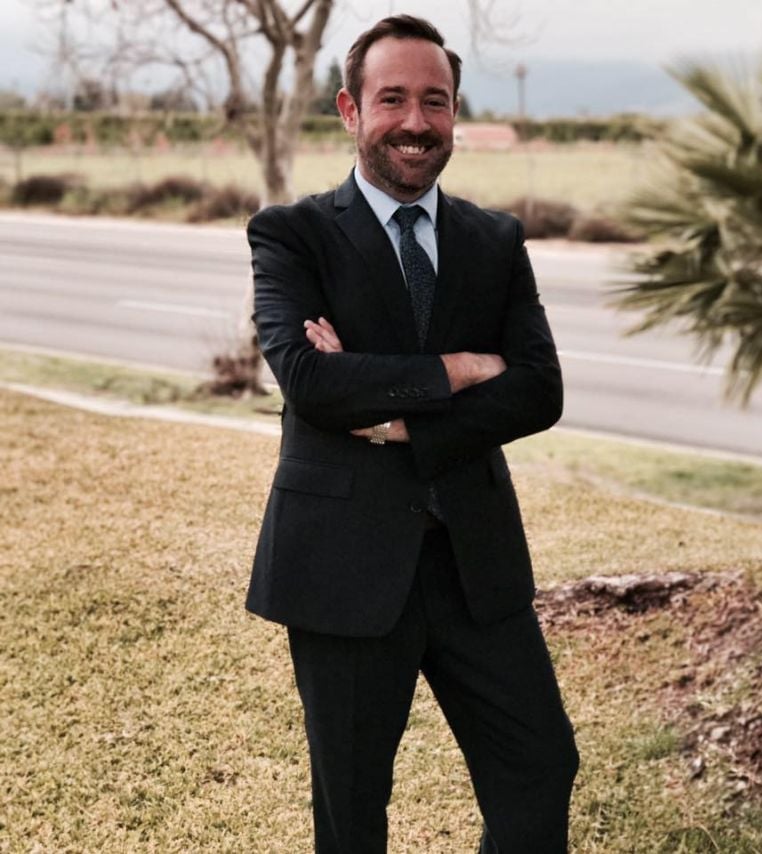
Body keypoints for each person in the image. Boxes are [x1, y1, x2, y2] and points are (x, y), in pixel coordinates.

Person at [246, 14, 579, 853]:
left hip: (477, 561)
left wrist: (402, 422)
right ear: (350, 110)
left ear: (456, 113)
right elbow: (313, 382)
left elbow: (540, 389)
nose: (417, 122)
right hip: (343, 566)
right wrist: (461, 369)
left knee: (541, 765)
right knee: (353, 813)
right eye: (392, 98)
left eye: (436, 101)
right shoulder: (292, 234)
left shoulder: (494, 240)